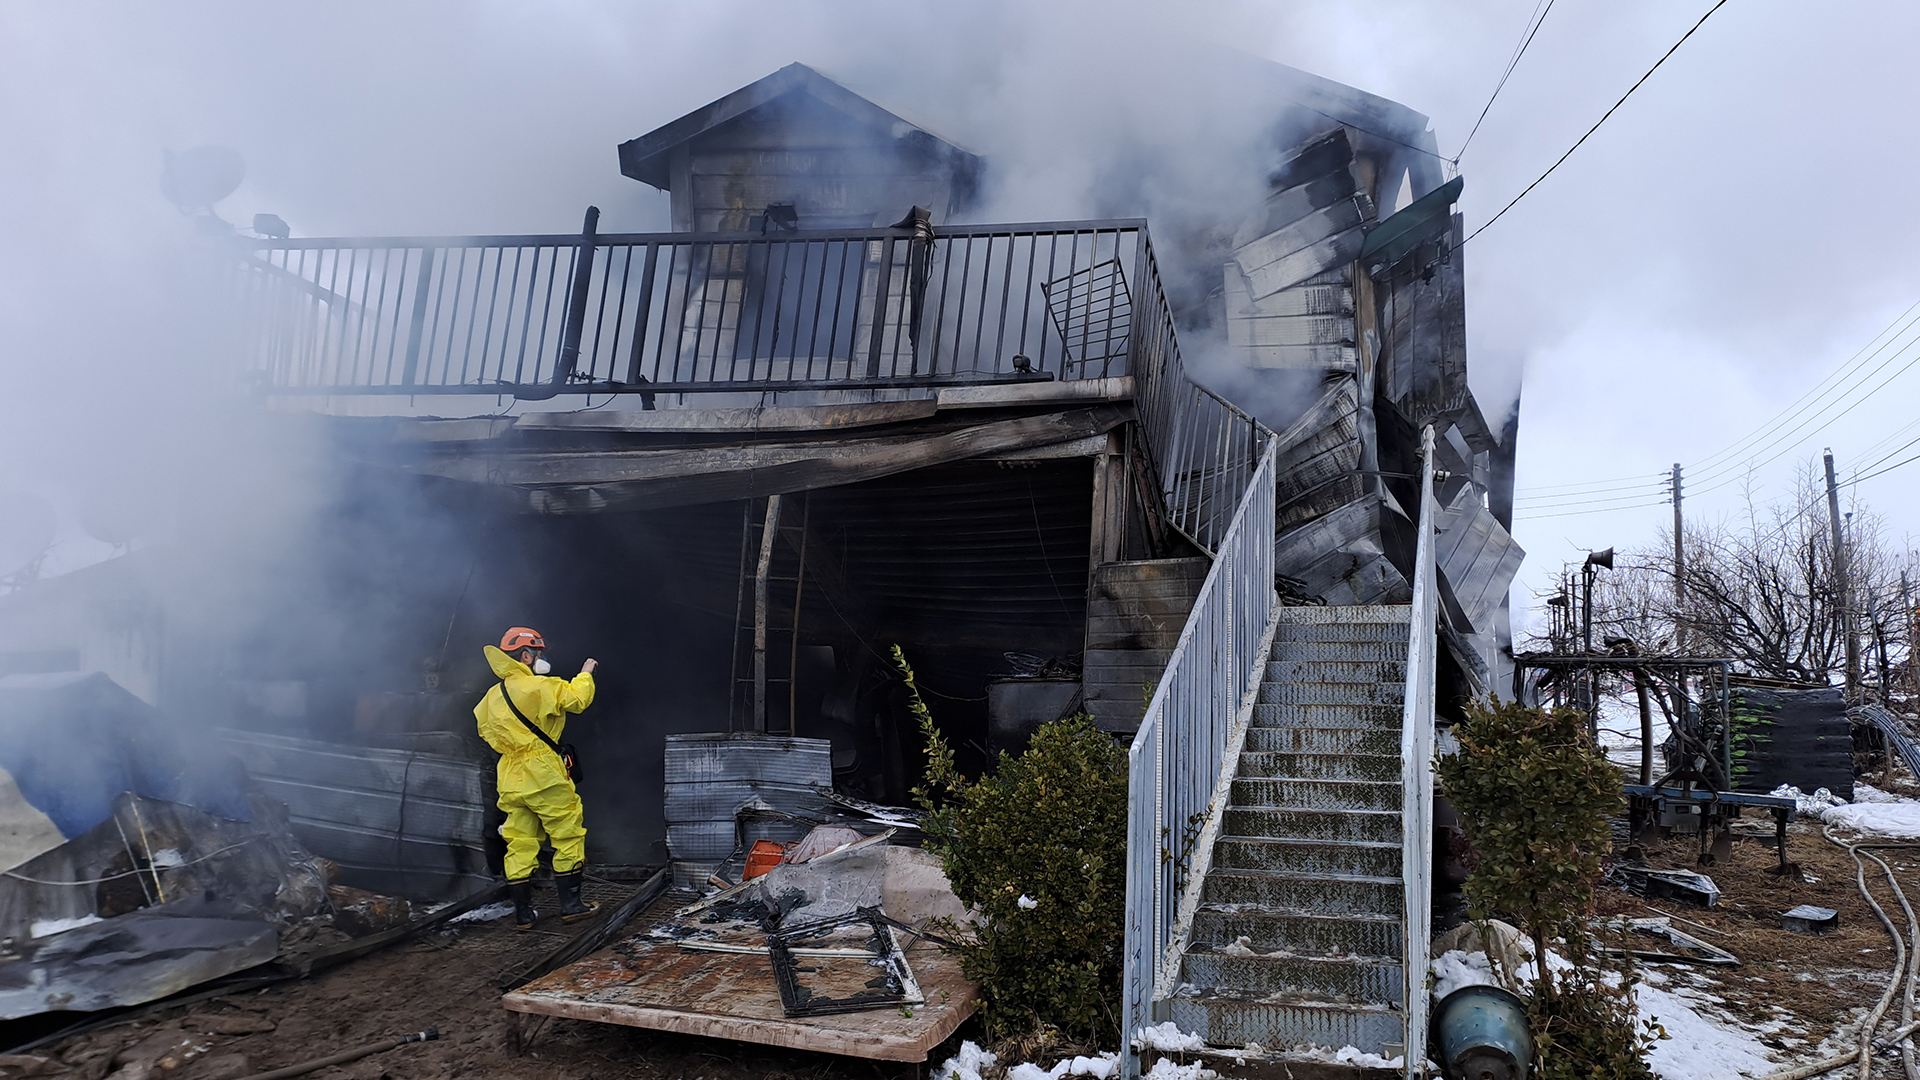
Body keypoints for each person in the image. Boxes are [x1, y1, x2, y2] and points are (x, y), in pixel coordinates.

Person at [474, 626, 600, 930]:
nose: (542, 659)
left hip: (510, 774)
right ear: (526, 655)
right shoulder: (540, 686)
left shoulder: (491, 697)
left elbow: (485, 731)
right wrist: (586, 673)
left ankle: (523, 915)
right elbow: (578, 699)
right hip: (542, 771)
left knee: (519, 840)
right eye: (539, 653)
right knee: (566, 832)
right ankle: (571, 906)